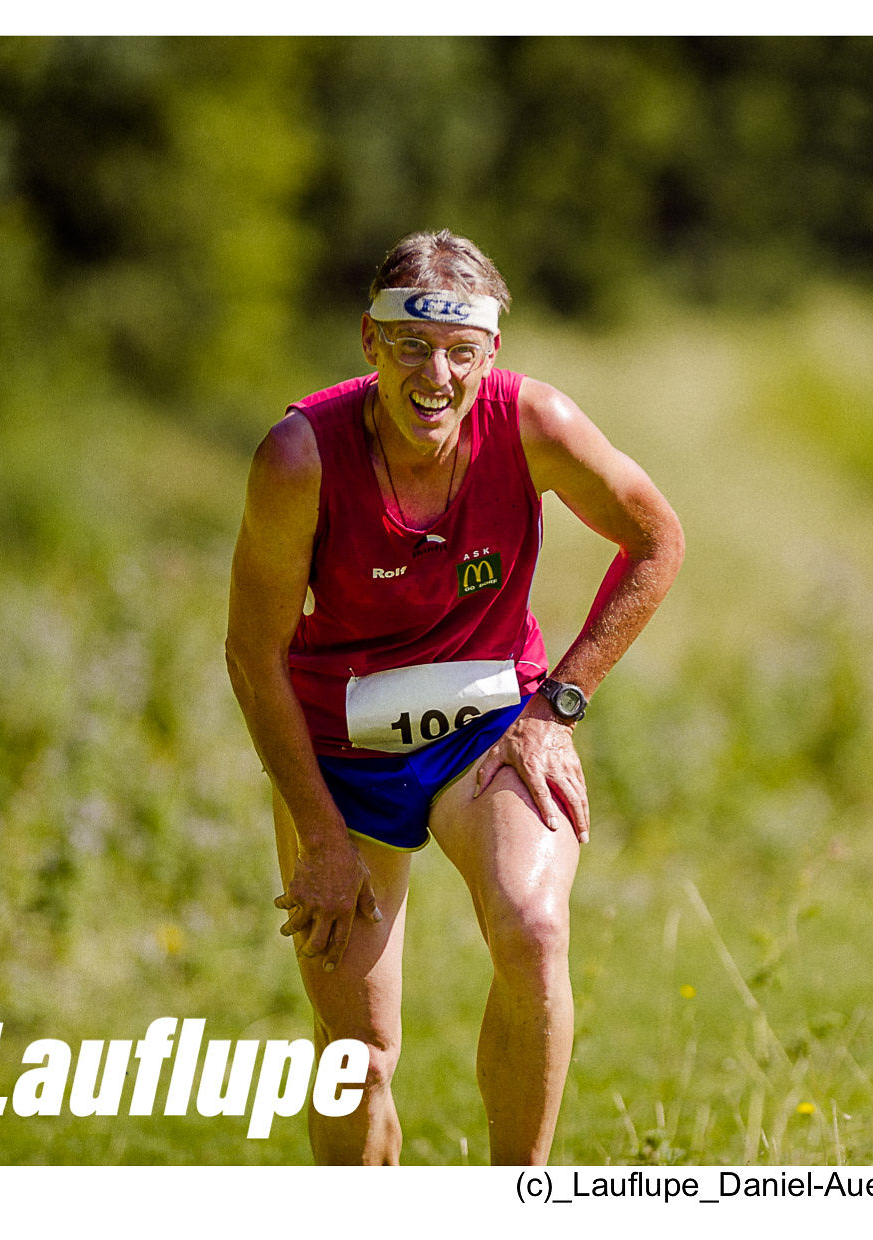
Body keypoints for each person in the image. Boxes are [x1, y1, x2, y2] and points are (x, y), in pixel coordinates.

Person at [225, 229, 684, 1164]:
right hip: (339, 749)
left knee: (533, 924)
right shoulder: (298, 459)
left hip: (491, 725)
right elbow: (251, 654)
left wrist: (560, 705)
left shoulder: (535, 425)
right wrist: (318, 835)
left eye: (461, 352)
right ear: (369, 342)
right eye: (410, 347)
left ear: (491, 355)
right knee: (358, 1054)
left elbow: (656, 539)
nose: (435, 375)